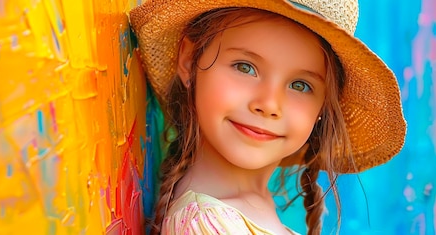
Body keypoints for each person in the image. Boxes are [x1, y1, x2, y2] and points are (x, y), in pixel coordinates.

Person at [129, 0, 407, 234]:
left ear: (322, 108)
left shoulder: (247, 210)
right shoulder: (205, 224)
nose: (269, 104)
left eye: (300, 85)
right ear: (190, 60)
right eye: (245, 67)